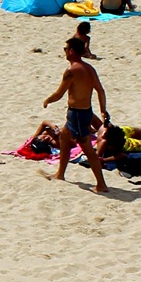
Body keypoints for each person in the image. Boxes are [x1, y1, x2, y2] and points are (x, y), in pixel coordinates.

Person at [42, 38, 109, 192]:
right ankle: (60, 174)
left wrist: (47, 100)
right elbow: (100, 90)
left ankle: (101, 184)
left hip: (78, 115)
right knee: (64, 137)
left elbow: (59, 94)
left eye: (66, 48)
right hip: (84, 112)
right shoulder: (90, 68)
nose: (64, 51)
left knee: (87, 148)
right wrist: (103, 110)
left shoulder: (71, 71)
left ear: (71, 51)